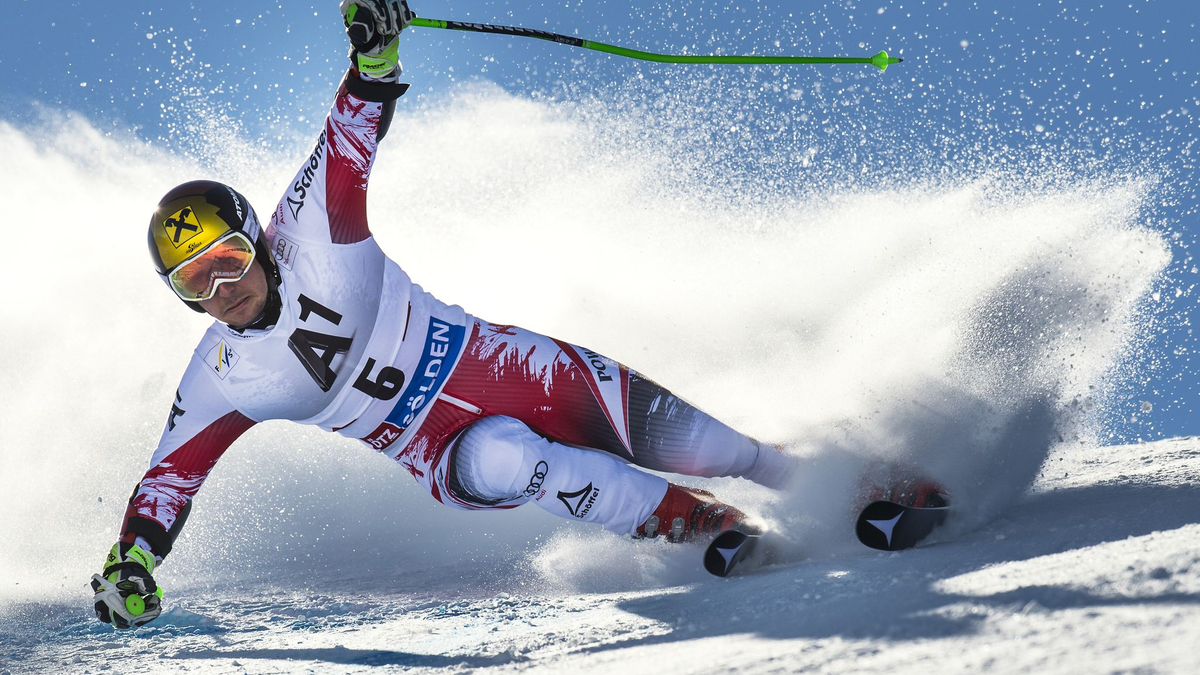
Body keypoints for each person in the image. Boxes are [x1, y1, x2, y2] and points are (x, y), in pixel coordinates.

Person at [90, 0, 798, 630]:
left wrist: (374, 54)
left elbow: (349, 131)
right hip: (438, 450)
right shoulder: (224, 376)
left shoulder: (310, 230)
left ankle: (824, 477)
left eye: (231, 259)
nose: (223, 290)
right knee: (512, 459)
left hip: (503, 365)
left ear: (260, 240)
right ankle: (699, 522)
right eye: (194, 283)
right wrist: (133, 562)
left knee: (706, 444)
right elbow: (168, 479)